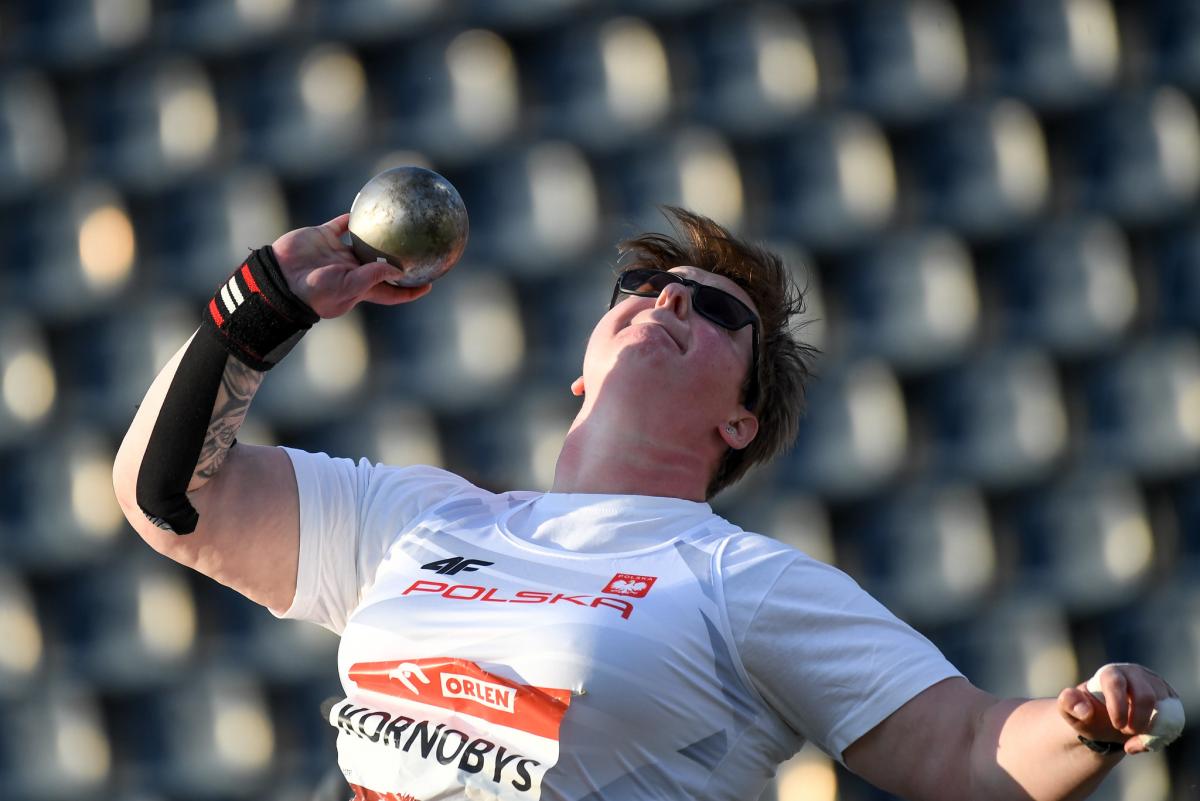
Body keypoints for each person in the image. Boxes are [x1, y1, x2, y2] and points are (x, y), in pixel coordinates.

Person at [114, 207, 1182, 801]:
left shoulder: (744, 583)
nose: (667, 299)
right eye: (639, 291)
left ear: (740, 424)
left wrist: (1082, 724)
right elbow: (172, 501)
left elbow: (963, 750)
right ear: (581, 368)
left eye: (714, 310)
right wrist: (256, 311)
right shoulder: (425, 520)